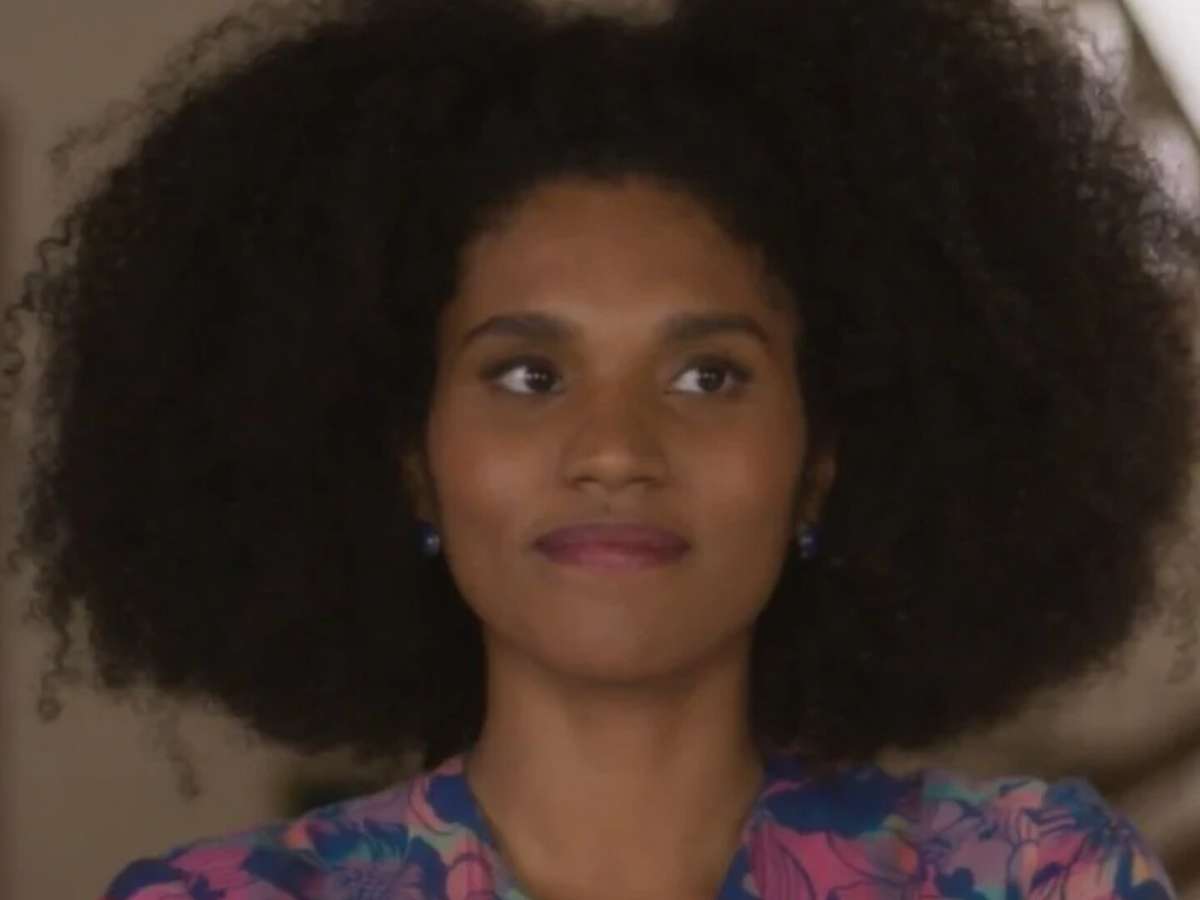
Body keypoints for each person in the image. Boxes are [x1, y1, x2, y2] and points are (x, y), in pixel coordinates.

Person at [6, 0, 1198, 896]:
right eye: (528, 376)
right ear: (416, 463)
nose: (616, 450)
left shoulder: (1037, 879)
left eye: (707, 376)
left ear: (819, 465)